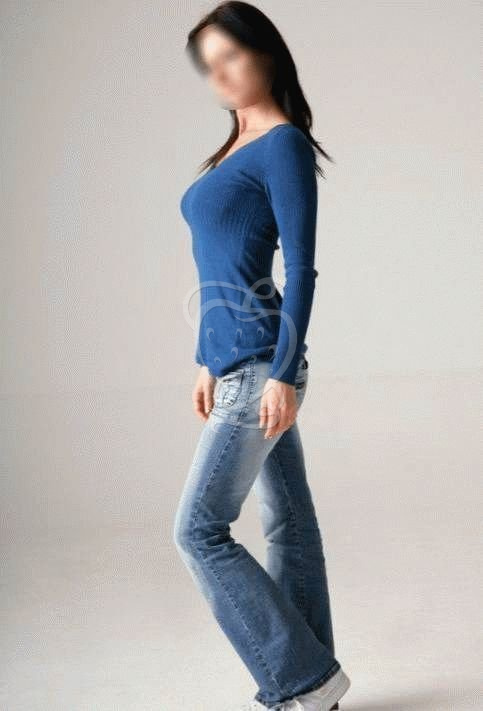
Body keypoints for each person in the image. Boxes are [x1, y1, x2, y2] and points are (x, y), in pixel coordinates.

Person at [173, 3, 350, 709]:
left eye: (231, 57)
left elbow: (300, 269)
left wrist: (281, 372)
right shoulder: (233, 147)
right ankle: (317, 685)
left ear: (266, 54)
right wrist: (204, 359)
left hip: (261, 363)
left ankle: (304, 680)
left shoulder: (281, 145)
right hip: (234, 360)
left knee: (198, 530)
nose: (218, 75)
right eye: (208, 65)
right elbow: (221, 264)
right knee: (289, 523)